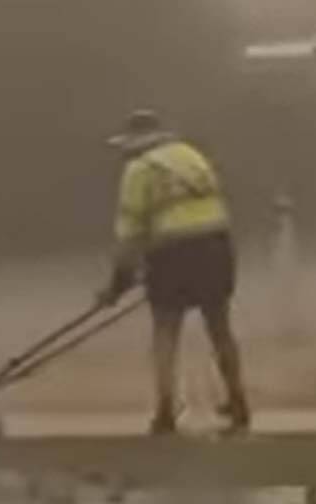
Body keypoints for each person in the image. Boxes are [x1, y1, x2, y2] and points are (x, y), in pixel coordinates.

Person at [100, 110, 251, 436]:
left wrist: (116, 285)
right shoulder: (193, 156)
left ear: (135, 142)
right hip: (216, 247)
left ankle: (165, 411)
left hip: (171, 252)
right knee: (220, 327)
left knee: (166, 330)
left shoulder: (138, 170)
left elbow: (130, 234)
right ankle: (238, 401)